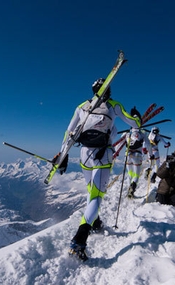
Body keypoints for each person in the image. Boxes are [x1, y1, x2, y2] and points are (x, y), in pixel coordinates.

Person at [54, 78, 141, 261]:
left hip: (84, 154)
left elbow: (68, 131)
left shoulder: (82, 106)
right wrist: (136, 117)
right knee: (96, 196)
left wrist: (63, 154)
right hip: (103, 155)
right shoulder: (113, 105)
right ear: (108, 90)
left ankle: (96, 221)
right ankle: (80, 238)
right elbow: (134, 124)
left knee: (90, 190)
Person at [117, 122, 149, 198]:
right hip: (137, 156)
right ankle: (132, 188)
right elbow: (148, 144)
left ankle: (129, 190)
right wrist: (150, 154)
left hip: (127, 155)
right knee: (136, 175)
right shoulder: (142, 134)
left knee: (130, 174)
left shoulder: (127, 133)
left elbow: (120, 142)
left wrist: (116, 153)